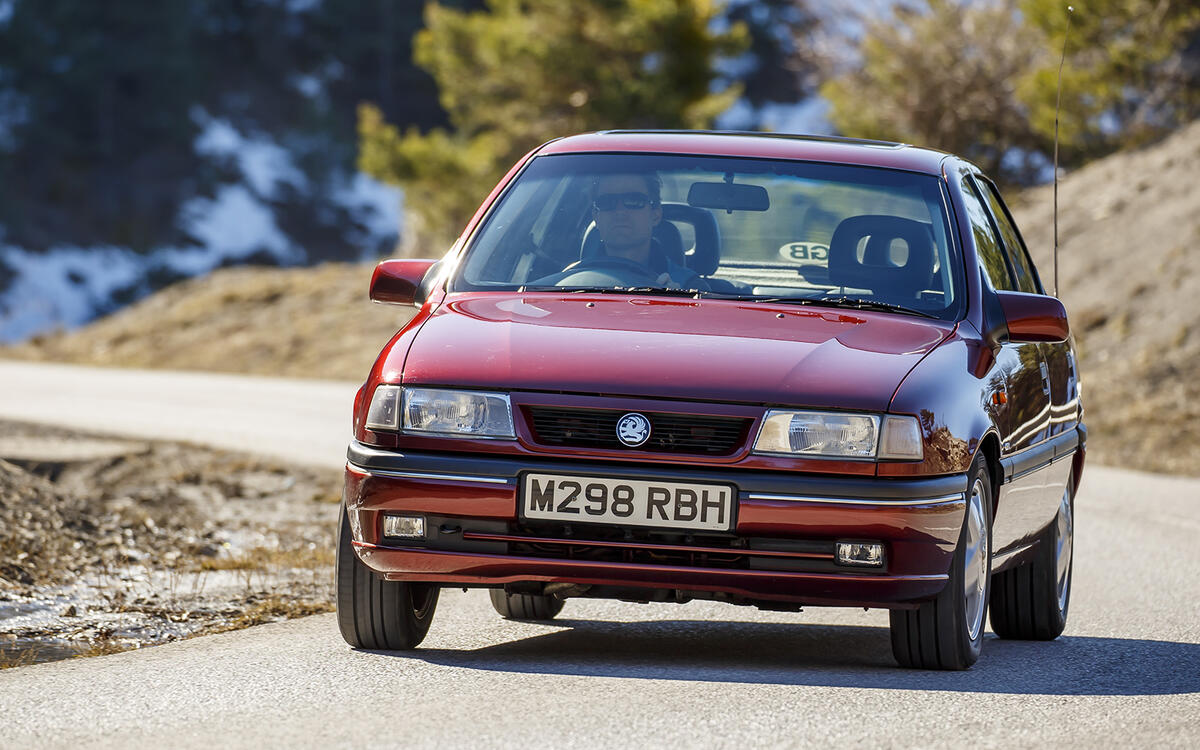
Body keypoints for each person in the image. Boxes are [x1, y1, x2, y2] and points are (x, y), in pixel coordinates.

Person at [583, 172, 706, 289]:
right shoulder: (570, 285)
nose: (620, 212)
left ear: (655, 215)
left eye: (634, 200)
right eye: (607, 202)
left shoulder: (691, 288)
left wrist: (679, 305)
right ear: (595, 216)